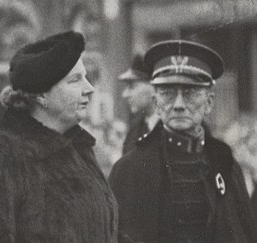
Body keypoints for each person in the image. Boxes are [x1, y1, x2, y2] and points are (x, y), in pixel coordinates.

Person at [109, 40, 256, 243]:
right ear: (156, 103)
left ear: (209, 102)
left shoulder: (226, 165)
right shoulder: (129, 169)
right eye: (167, 93)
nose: (178, 105)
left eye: (190, 93)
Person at [0, 31, 118, 242]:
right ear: (41, 95)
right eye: (75, 80)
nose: (89, 88)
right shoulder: (3, 154)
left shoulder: (79, 148)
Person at [119, 54, 159, 154]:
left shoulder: (173, 128)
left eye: (132, 86)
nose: (125, 94)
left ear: (154, 87)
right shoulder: (133, 132)